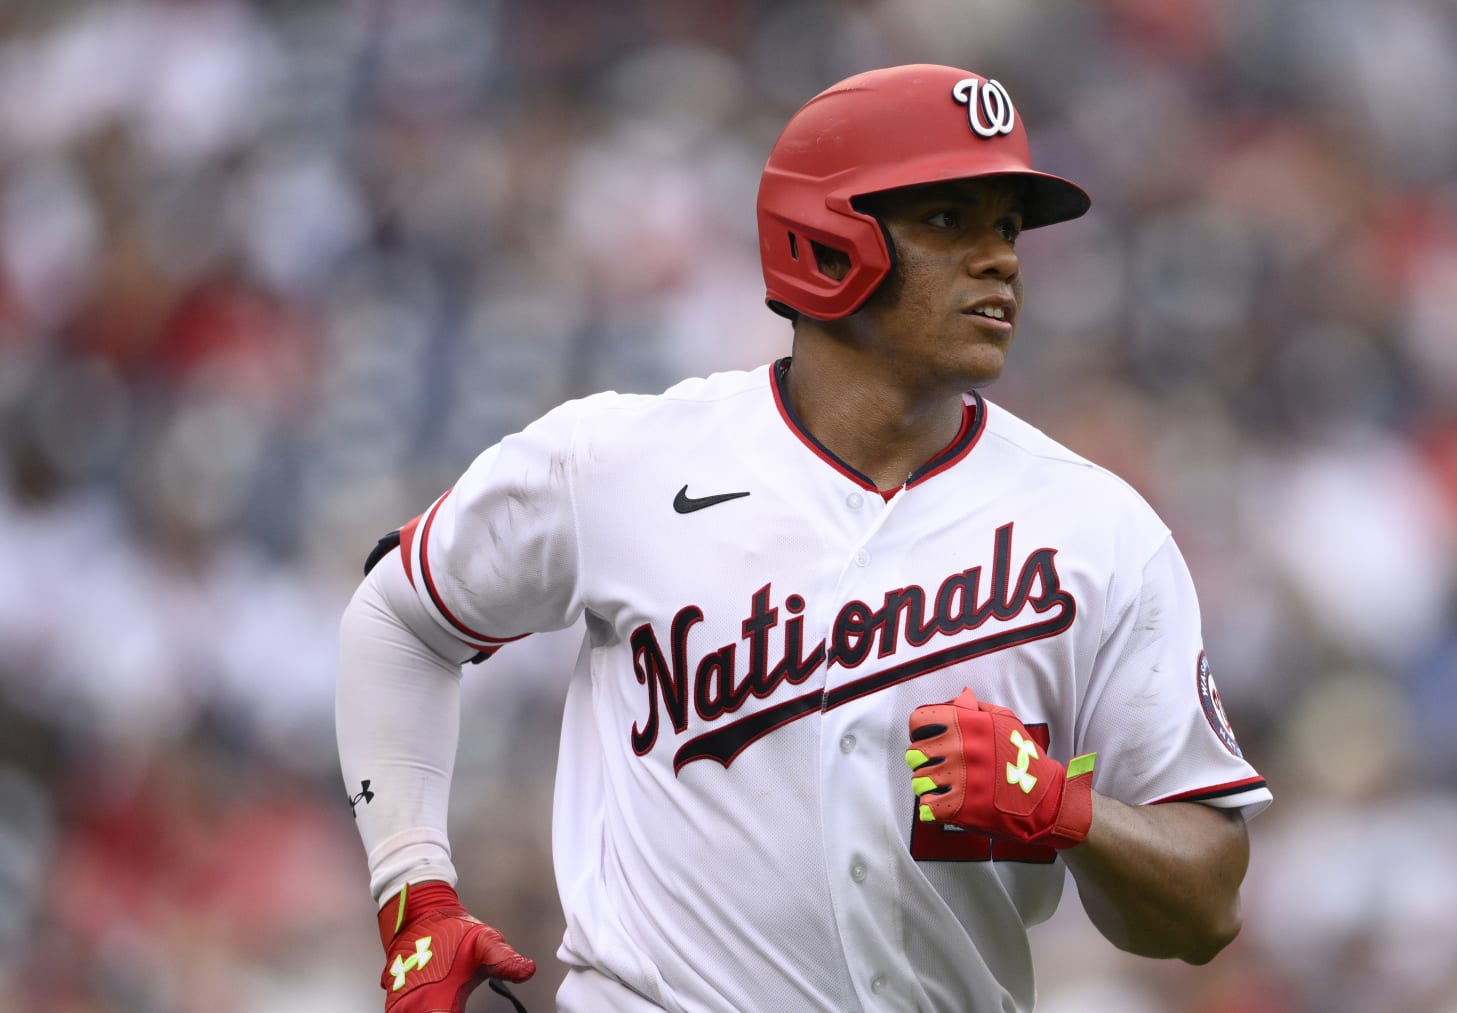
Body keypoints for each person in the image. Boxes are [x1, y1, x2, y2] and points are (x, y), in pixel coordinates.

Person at [336, 63, 1272, 1013]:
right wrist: (413, 889)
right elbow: (400, 616)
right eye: (949, 220)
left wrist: (1068, 811)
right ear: (825, 242)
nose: (1001, 260)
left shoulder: (1099, 531)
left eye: (1007, 227)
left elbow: (1204, 907)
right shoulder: (622, 462)